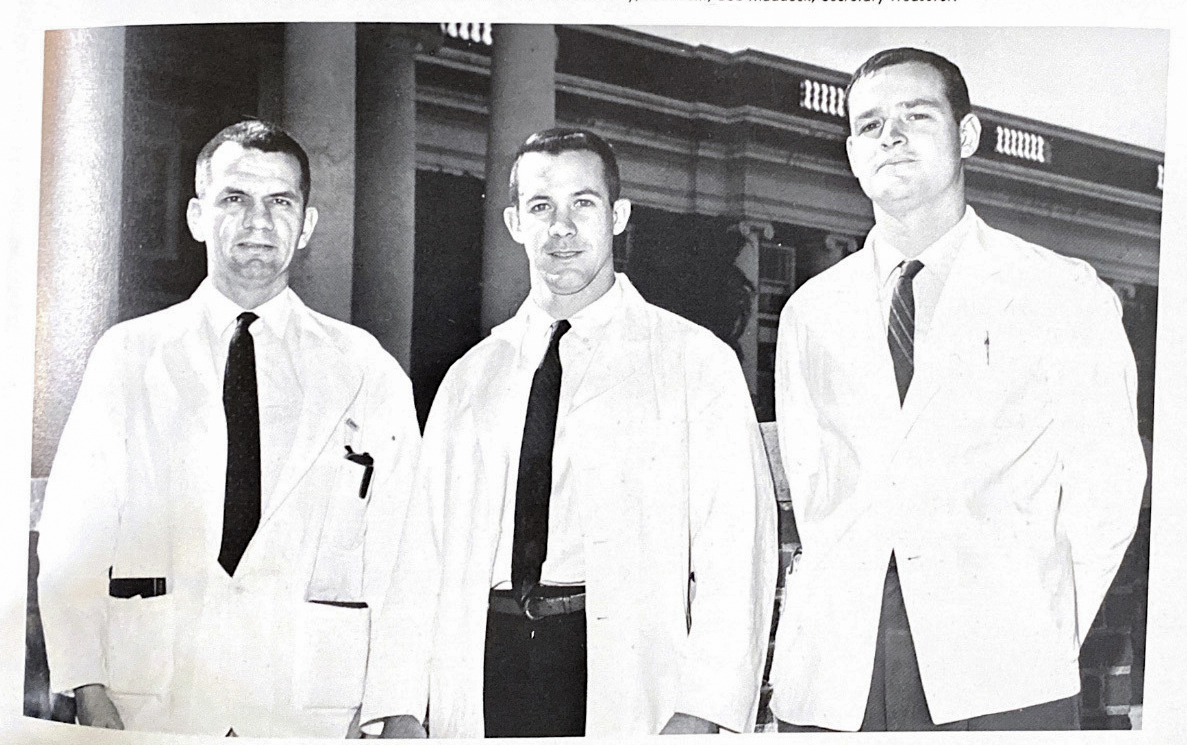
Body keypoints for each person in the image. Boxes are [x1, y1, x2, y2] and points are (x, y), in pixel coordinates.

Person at [767, 48, 1147, 731]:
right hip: (836, 675)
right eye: (869, 125)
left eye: (915, 115)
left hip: (1000, 671)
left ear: (966, 135)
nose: (891, 136)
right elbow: (815, 488)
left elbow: (1108, 488)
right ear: (852, 154)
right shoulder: (809, 311)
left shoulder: (1057, 291)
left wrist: (1040, 629)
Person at [361, 128, 777, 738]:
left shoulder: (694, 361)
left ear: (619, 216)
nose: (561, 227)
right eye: (540, 207)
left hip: (621, 673)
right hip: (485, 660)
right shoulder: (470, 377)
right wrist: (398, 702)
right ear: (512, 223)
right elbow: (420, 552)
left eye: (583, 203)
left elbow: (737, 548)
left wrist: (705, 709)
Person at [37, 120, 421, 737]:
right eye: (234, 199)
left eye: (280, 202)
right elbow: (72, 541)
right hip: (152, 703)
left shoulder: (366, 368)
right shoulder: (128, 355)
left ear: (308, 225)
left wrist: (395, 707)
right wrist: (87, 687)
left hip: (314, 708)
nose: (258, 222)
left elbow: (406, 556)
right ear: (195, 216)